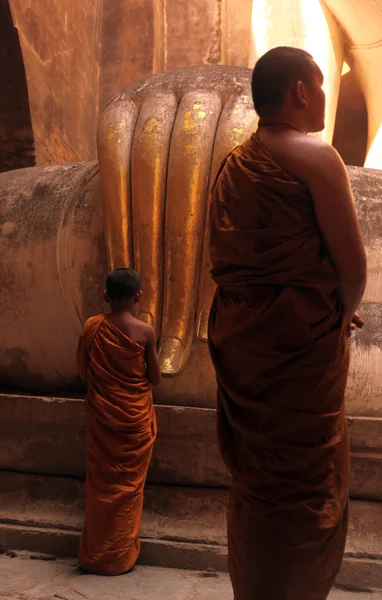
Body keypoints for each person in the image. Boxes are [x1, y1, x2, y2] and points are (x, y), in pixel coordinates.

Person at [208, 46, 367, 600]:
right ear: (301, 92)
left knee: (257, 481)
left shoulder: (234, 164)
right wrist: (339, 316)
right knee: (302, 488)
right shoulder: (315, 157)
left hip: (247, 353)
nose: (325, 96)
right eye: (321, 85)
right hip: (303, 356)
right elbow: (353, 269)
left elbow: (231, 271)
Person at [77, 268, 160, 575]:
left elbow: (84, 373)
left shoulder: (93, 327)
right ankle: (119, 556)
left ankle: (96, 554)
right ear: (138, 297)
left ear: (105, 296)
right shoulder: (145, 332)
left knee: (100, 487)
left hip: (102, 417)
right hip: (134, 420)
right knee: (127, 490)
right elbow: (155, 378)